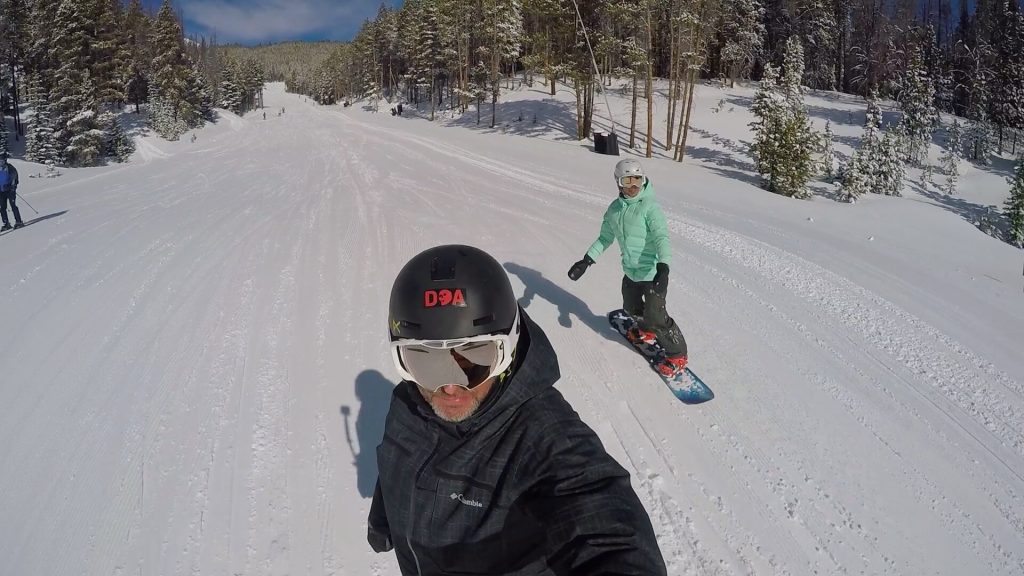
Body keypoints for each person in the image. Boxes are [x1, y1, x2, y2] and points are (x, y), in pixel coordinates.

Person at [369, 244, 667, 576]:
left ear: (508, 350)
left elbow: (605, 527)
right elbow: (400, 461)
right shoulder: (409, 401)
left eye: (475, 360)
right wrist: (385, 518)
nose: (450, 387)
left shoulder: (542, 433)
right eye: (424, 360)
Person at [567, 159, 687, 376]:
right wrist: (586, 260)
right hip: (631, 272)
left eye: (637, 181)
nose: (633, 187)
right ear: (618, 183)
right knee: (631, 308)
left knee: (656, 316)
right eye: (627, 181)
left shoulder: (650, 208)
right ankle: (646, 332)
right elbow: (604, 238)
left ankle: (677, 354)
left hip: (652, 273)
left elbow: (662, 237)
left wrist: (664, 267)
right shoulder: (614, 210)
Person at [0, 153, 23, 231]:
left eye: (2, 161)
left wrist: (12, 187)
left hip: (10, 190)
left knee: (13, 205)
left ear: (5, 160)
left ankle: (18, 221)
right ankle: (6, 224)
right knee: (2, 208)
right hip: (1, 191)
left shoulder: (10, 168)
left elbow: (15, 179)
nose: (0, 163)